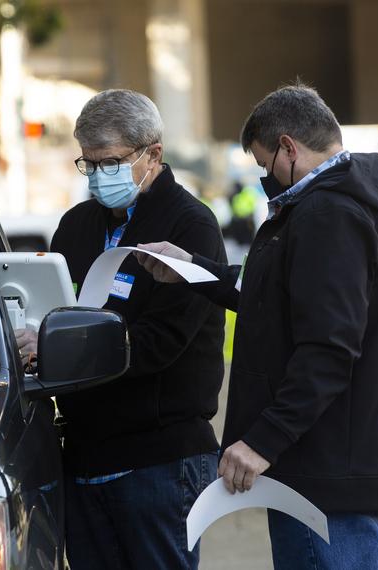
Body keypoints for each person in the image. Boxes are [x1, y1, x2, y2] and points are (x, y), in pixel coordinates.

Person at [136, 83, 378, 569]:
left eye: (264, 164)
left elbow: (329, 349)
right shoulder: (371, 198)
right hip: (364, 466)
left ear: (289, 147)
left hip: (322, 480)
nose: (264, 178)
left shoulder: (327, 214)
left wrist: (263, 440)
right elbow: (278, 296)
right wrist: (196, 269)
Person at [16, 89, 227, 569]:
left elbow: (163, 341)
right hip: (85, 453)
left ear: (153, 153)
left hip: (159, 459)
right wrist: (37, 336)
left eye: (108, 162)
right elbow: (54, 308)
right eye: (87, 164)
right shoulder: (75, 226)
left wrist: (65, 348)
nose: (96, 177)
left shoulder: (190, 226)